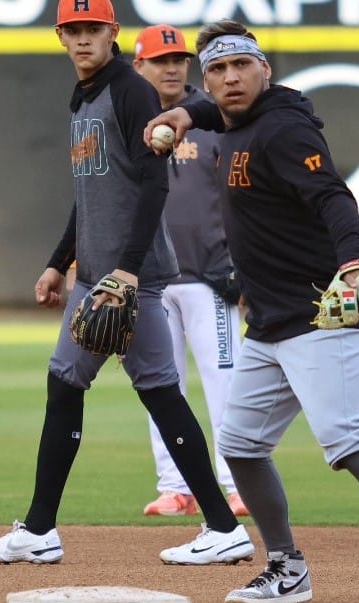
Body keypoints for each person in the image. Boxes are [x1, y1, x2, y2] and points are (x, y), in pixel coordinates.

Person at [147, 20, 359, 603]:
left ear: (264, 70)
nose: (229, 79)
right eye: (217, 70)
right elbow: (212, 110)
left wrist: (354, 262)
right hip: (270, 322)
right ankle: (286, 568)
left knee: (344, 438)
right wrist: (182, 116)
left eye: (241, 66)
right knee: (241, 445)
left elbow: (332, 196)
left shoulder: (282, 128)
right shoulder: (233, 119)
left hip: (323, 314)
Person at [0, 0, 254, 567]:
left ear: (111, 33)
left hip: (130, 281)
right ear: (60, 36)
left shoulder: (130, 91)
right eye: (72, 31)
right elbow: (91, 194)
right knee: (68, 384)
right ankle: (41, 529)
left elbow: (153, 186)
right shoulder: (85, 97)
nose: (81, 40)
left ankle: (222, 528)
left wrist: (127, 270)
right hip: (96, 279)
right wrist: (58, 260)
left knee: (157, 394)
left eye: (91, 29)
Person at [131, 24, 248, 518]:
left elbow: (242, 196)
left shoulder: (213, 118)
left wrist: (243, 266)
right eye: (161, 60)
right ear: (140, 67)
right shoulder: (124, 117)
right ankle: (175, 486)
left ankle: (238, 482)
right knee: (162, 385)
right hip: (150, 281)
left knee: (226, 382)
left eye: (179, 58)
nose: (172, 67)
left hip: (208, 278)